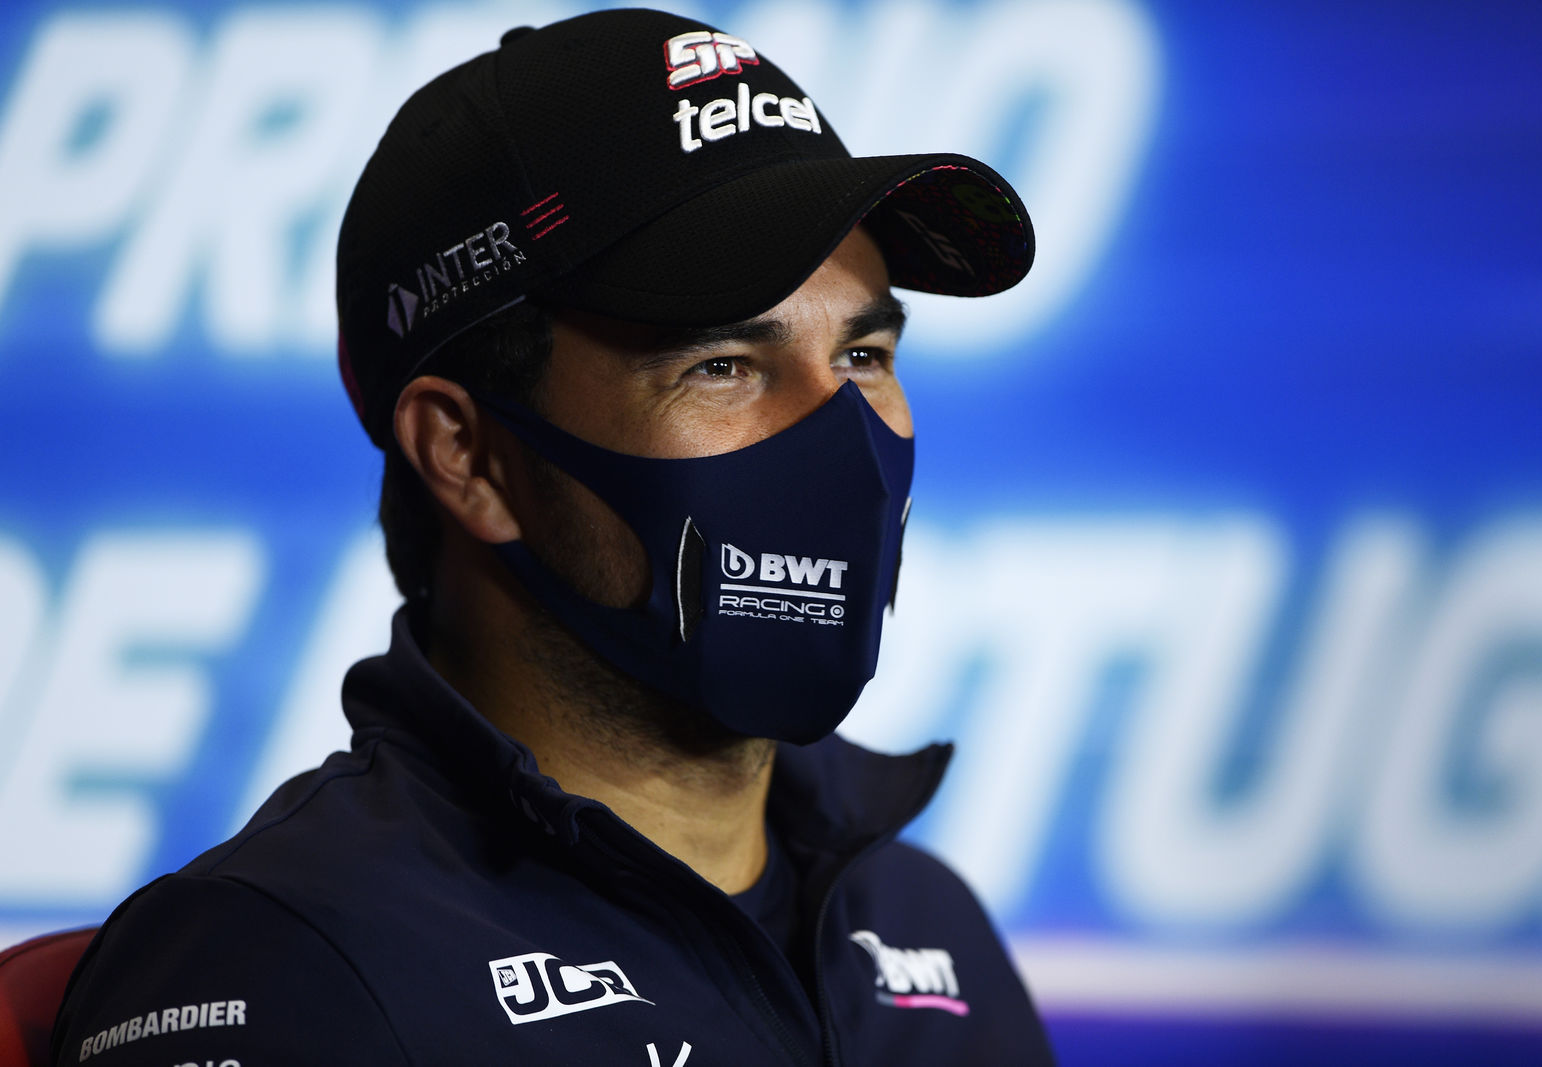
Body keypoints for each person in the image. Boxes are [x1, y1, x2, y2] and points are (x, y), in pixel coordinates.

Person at [52, 8, 1052, 1065]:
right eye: (722, 366)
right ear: (467, 455)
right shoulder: (284, 963)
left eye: (862, 356)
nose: (840, 437)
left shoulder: (923, 921)